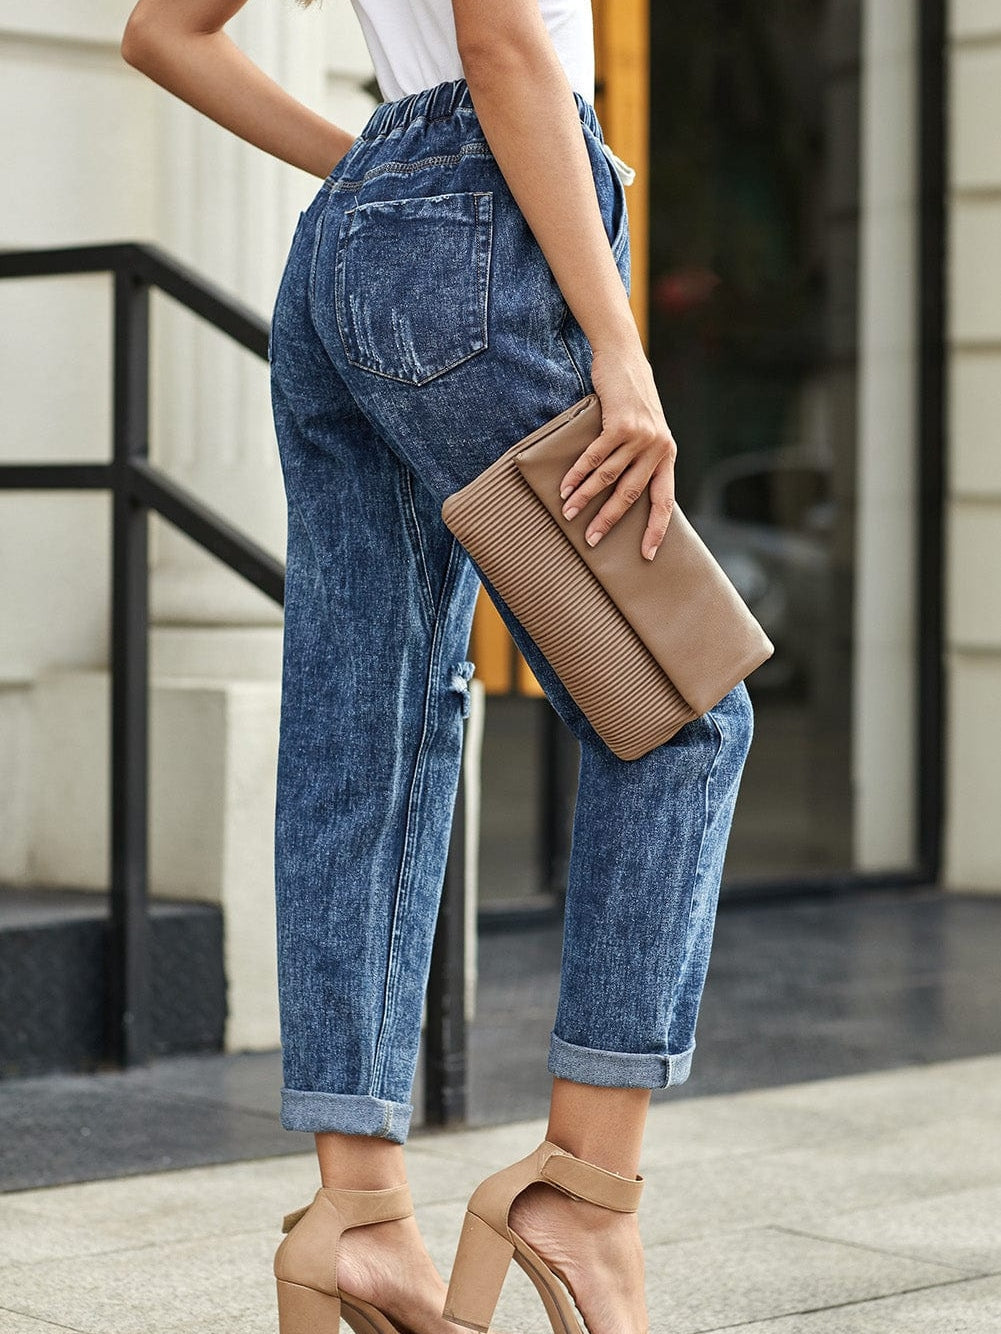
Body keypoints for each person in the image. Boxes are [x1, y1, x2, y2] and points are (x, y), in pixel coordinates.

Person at [121, 2, 755, 1331]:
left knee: (372, 727)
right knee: (679, 702)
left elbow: (163, 31)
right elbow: (506, 45)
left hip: (351, 258)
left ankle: (357, 1212)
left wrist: (365, 168)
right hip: (488, 216)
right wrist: (616, 340)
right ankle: (581, 1197)